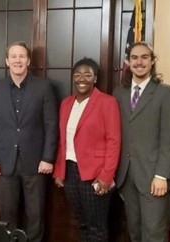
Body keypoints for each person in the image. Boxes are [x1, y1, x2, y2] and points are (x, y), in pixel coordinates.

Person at [0, 41, 58, 242]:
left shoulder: (43, 87)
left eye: (22, 56)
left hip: (36, 163)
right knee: (7, 214)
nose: (18, 60)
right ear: (7, 61)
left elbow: (51, 125)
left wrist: (48, 158)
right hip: (4, 162)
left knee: (36, 214)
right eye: (13, 56)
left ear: (28, 60)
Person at [112, 42, 170, 242]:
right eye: (134, 58)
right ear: (127, 62)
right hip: (126, 176)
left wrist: (162, 175)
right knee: (135, 231)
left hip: (153, 177)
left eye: (144, 57)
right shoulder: (119, 93)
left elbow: (169, 139)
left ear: (152, 61)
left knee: (154, 233)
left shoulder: (166, 93)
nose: (139, 62)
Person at [53, 58, 121, 242]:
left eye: (87, 75)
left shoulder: (107, 102)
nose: (81, 78)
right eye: (77, 74)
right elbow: (62, 141)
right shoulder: (66, 103)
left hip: (95, 173)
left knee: (97, 226)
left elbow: (114, 141)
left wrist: (107, 176)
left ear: (95, 78)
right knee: (82, 223)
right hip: (70, 173)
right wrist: (59, 171)